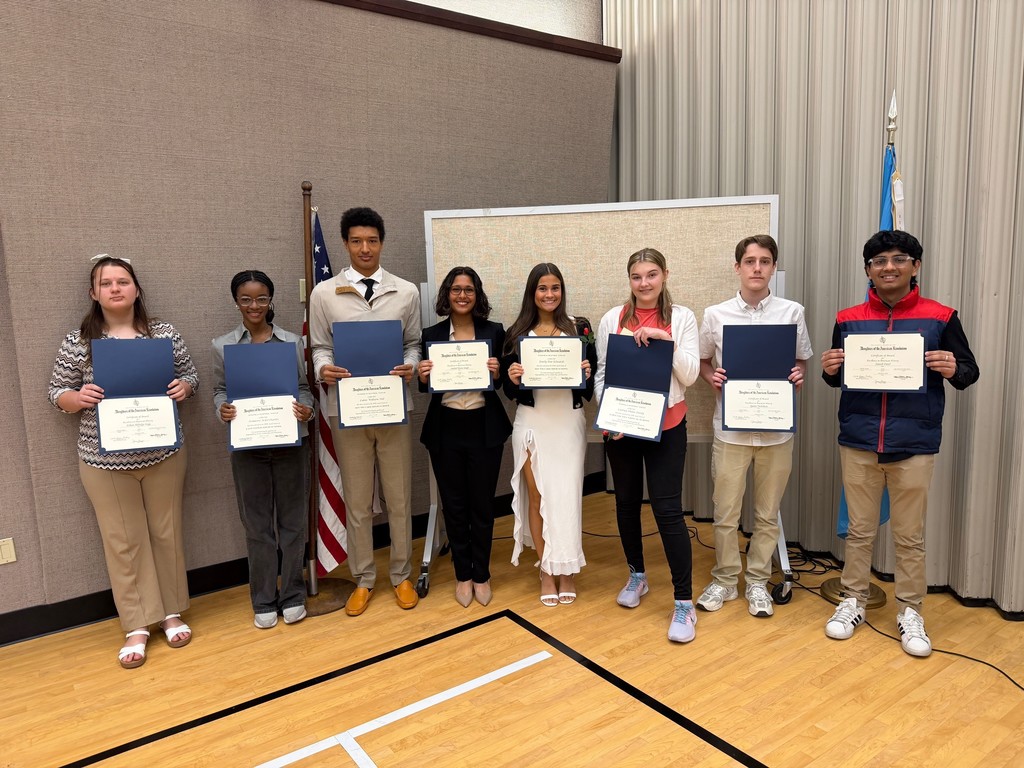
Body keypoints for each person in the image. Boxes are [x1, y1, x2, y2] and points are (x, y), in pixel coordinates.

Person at [821, 230, 979, 657]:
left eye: (898, 259)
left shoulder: (941, 317)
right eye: (878, 261)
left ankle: (910, 610)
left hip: (915, 442)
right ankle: (852, 601)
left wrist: (952, 366)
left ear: (915, 266)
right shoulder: (848, 317)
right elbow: (838, 377)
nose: (888, 267)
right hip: (858, 440)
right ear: (868, 270)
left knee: (910, 536)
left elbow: (969, 371)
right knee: (858, 531)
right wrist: (830, 368)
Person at [48, 254, 198, 669]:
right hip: (103, 460)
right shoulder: (77, 342)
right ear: (93, 293)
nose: (115, 289)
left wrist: (184, 387)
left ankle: (170, 612)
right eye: (106, 283)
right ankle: (136, 623)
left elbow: (191, 375)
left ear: (136, 289)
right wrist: (76, 399)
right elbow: (56, 392)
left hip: (164, 452)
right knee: (123, 541)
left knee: (166, 532)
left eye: (123, 281)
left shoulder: (163, 334)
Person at [309, 207, 422, 616]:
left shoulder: (405, 291)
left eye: (372, 240)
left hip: (393, 406)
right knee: (357, 500)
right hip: (348, 410)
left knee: (398, 497)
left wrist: (410, 364)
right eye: (356, 241)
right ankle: (363, 578)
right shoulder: (324, 293)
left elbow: (413, 343)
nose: (365, 248)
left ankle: (401, 574)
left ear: (382, 243)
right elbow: (319, 346)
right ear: (345, 244)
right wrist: (324, 368)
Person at [695, 235, 813, 619]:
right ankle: (727, 580)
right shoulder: (716, 314)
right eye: (750, 261)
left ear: (773, 267)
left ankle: (758, 581)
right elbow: (702, 362)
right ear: (738, 268)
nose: (757, 268)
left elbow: (801, 361)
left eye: (765, 261)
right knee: (725, 511)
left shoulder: (791, 312)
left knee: (767, 513)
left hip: (777, 431)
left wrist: (798, 375)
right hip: (731, 430)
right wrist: (712, 377)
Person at [594, 248, 701, 642]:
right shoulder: (612, 319)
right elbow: (603, 373)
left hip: (667, 425)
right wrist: (610, 415)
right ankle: (637, 576)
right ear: (630, 280)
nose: (644, 284)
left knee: (667, 509)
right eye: (637, 277)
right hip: (623, 428)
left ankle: (684, 603)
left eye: (652, 275)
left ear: (665, 275)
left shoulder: (683, 317)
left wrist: (663, 339)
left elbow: (689, 376)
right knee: (625, 503)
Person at [212, 270, 315, 629]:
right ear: (236, 301)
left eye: (261, 298)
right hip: (247, 446)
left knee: (292, 522)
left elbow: (304, 388)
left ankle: (292, 594)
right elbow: (220, 391)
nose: (254, 305)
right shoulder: (222, 345)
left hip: (290, 442)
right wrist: (221, 409)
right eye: (246, 299)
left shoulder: (291, 343)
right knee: (257, 526)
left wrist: (307, 409)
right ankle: (263, 598)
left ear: (271, 300)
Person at [501, 263, 596, 606]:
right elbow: (508, 389)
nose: (549, 294)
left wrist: (585, 372)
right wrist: (511, 377)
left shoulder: (581, 328)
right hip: (532, 423)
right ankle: (545, 569)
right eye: (543, 288)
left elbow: (591, 378)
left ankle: (567, 569)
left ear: (562, 291)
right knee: (538, 497)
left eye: (555, 287)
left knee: (567, 497)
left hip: (567, 423)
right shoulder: (516, 333)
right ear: (532, 292)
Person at [418, 267, 512, 607]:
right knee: (454, 505)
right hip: (446, 428)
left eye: (468, 289)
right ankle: (463, 574)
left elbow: (503, 385)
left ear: (477, 294)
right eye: (456, 289)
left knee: (483, 506)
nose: (462, 295)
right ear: (447, 294)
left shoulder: (494, 331)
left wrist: (498, 372)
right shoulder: (431, 333)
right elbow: (424, 387)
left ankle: (482, 574)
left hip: (484, 427)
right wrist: (424, 375)